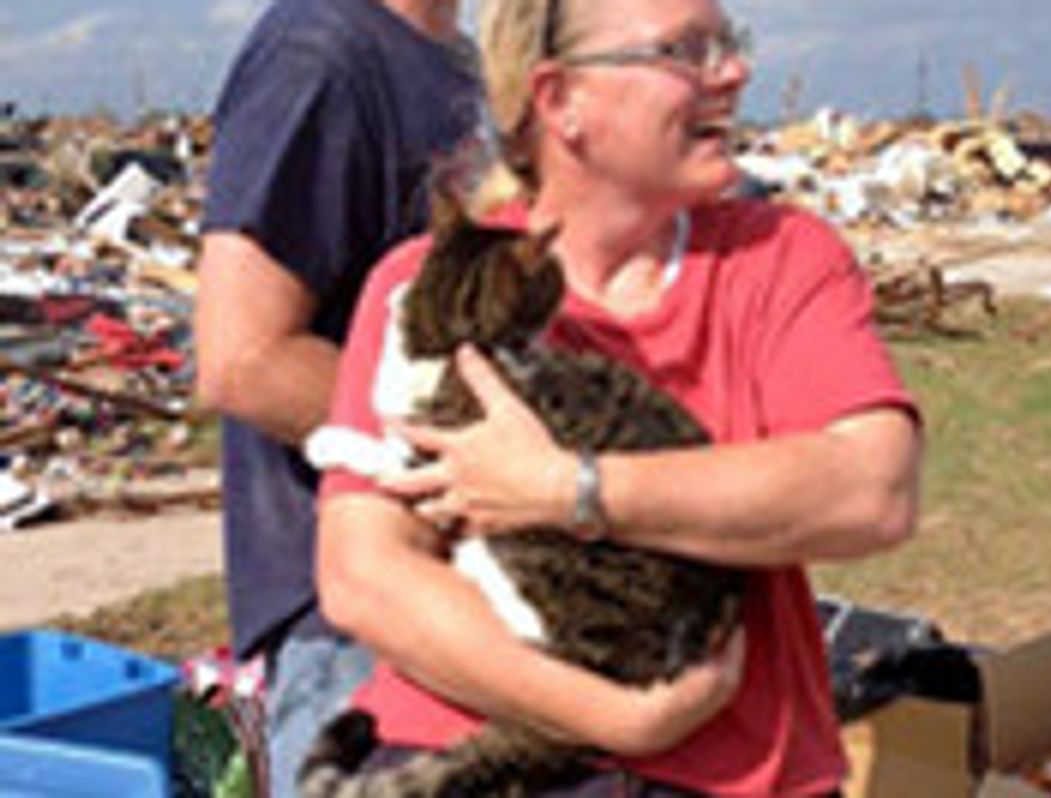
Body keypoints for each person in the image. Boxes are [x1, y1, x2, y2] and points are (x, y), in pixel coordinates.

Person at [315, 0, 923, 794]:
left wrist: (568, 488)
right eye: (687, 51)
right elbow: (366, 576)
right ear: (561, 98)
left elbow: (872, 492)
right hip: (473, 763)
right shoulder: (426, 283)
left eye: (729, 44)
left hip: (734, 776)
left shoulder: (780, 259)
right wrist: (618, 718)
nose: (733, 73)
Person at [193, 0, 480, 793]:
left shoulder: (460, 65)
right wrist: (480, 463)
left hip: (462, 604)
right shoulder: (320, 52)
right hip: (352, 625)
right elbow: (245, 358)